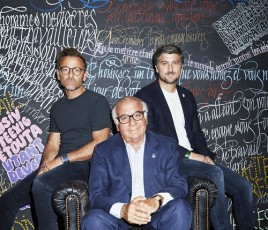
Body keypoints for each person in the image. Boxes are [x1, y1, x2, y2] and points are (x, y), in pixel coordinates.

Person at [135, 44, 253, 230]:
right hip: (168, 160)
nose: (171, 68)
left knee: (244, 187)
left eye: (175, 63)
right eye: (165, 63)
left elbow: (196, 133)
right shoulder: (144, 97)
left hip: (195, 158)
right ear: (156, 68)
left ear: (182, 66)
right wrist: (192, 155)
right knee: (215, 174)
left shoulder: (186, 95)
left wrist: (207, 157)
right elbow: (155, 140)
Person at [0, 47, 112, 230]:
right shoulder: (57, 107)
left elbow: (100, 143)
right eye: (65, 69)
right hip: (62, 165)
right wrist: (44, 167)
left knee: (42, 184)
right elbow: (53, 144)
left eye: (76, 70)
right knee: (6, 202)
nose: (70, 74)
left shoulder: (96, 102)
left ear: (85, 75)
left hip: (88, 165)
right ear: (58, 74)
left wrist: (61, 160)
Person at [81, 96, 192, 230]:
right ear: (117, 125)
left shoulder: (166, 146)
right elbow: (97, 195)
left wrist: (156, 201)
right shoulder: (103, 151)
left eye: (137, 115)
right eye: (124, 118)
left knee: (180, 209)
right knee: (93, 219)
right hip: (119, 220)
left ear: (146, 118)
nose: (132, 123)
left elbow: (179, 184)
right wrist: (123, 210)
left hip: (157, 215)